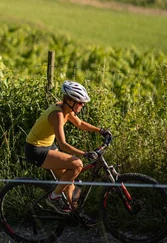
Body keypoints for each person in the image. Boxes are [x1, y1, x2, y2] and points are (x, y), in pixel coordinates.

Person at [25, 80, 111, 218]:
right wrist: (85, 154)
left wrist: (101, 130)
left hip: (47, 146)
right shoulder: (57, 115)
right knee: (77, 164)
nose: (82, 105)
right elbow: (63, 145)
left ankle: (76, 215)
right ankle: (53, 198)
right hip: (36, 150)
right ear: (70, 101)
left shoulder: (66, 109)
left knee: (69, 184)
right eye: (80, 102)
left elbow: (80, 123)